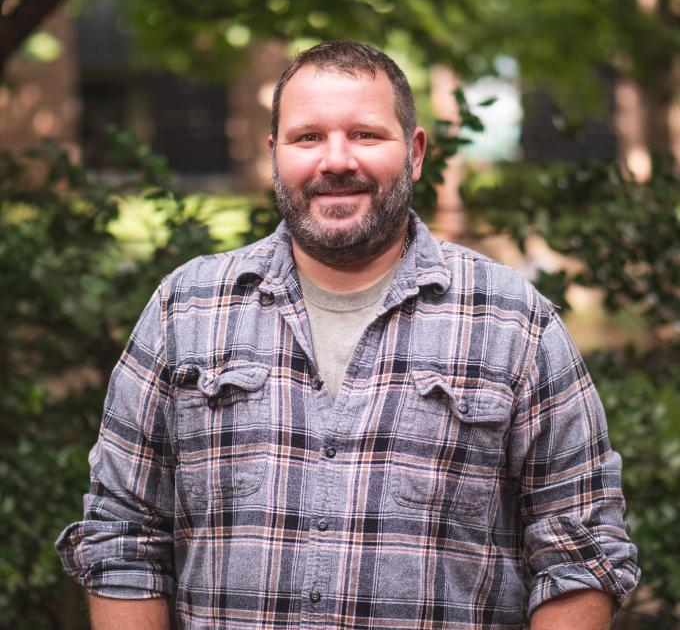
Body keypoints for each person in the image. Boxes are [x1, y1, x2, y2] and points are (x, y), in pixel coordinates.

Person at [56, 41, 639, 629]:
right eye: (308, 137)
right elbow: (123, 535)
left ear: (413, 153)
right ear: (275, 153)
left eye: (365, 135)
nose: (335, 160)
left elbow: (580, 552)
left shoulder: (514, 320)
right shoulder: (185, 309)